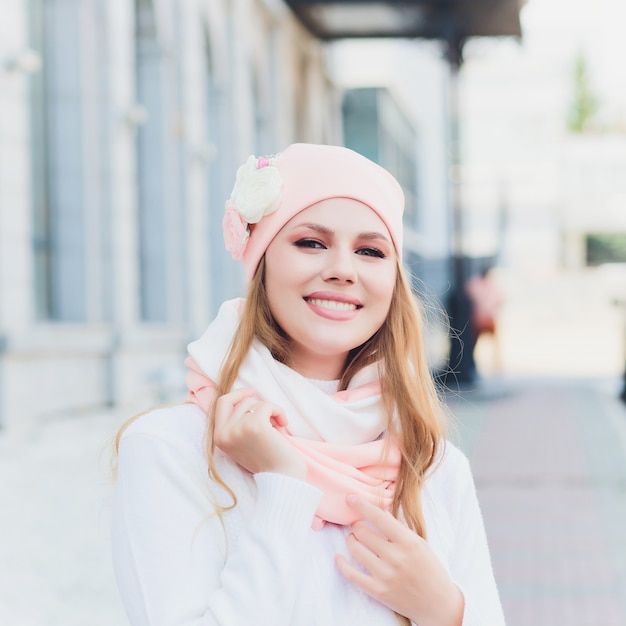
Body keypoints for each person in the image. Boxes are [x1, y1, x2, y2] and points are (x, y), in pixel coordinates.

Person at [111, 143, 505, 626]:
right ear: (261, 263)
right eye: (311, 243)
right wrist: (283, 487)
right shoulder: (171, 449)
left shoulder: (432, 463)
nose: (342, 268)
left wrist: (445, 612)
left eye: (370, 250)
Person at [464, 265, 504, 375]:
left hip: (479, 318)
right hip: (484, 318)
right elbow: (500, 301)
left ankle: (490, 364)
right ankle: (495, 365)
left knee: (475, 344)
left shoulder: (474, 284)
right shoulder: (489, 286)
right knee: (491, 344)